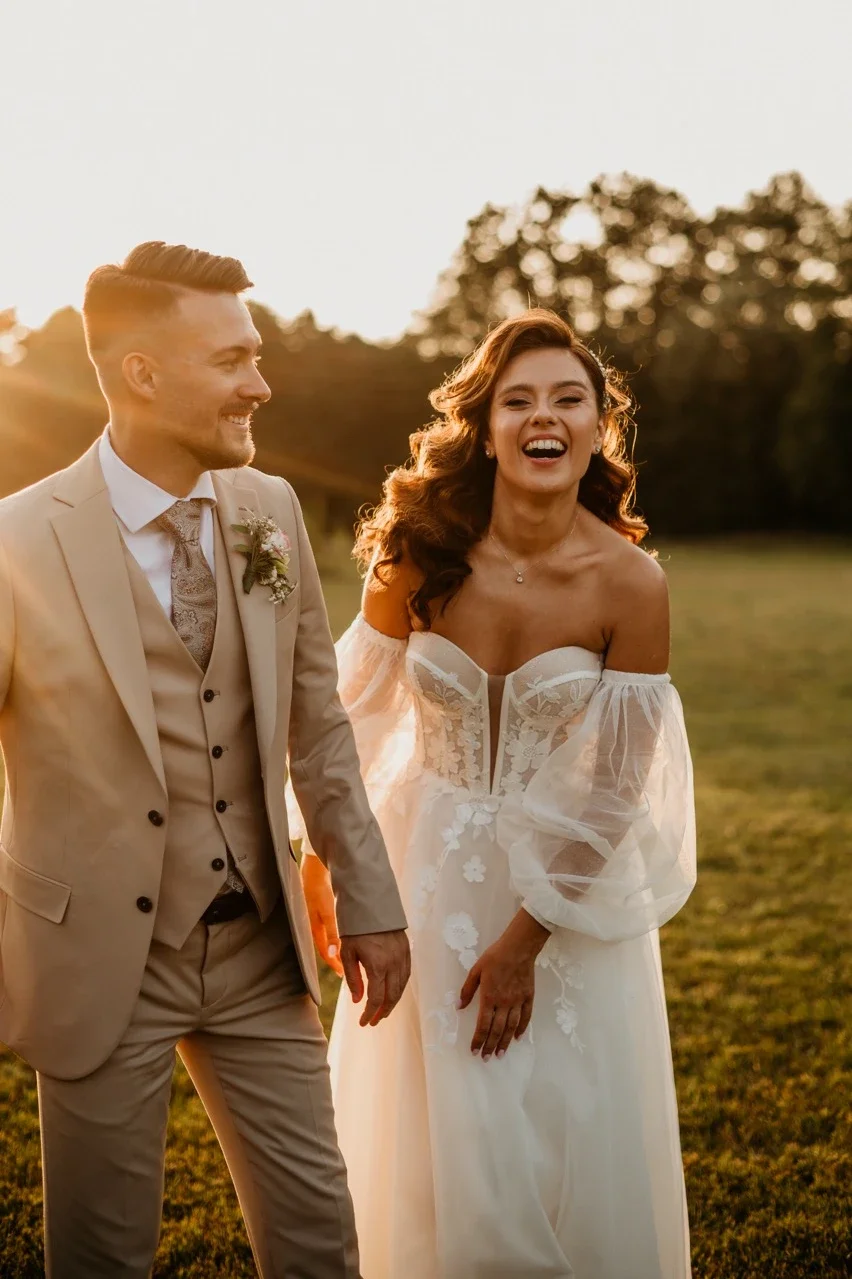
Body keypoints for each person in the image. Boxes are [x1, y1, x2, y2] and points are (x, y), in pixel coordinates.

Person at [0, 240, 410, 1279]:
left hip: (258, 952)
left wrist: (369, 897)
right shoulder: (16, 543)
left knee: (321, 1241)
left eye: (255, 357)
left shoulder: (269, 510)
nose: (259, 384)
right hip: (100, 960)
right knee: (101, 1256)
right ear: (142, 373)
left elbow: (318, 726)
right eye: (232, 360)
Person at [299, 309, 697, 1278]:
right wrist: (325, 859)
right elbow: (348, 715)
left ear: (598, 429)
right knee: (426, 1148)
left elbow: (613, 794)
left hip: (562, 901)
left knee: (551, 1137)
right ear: (485, 429)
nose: (542, 416)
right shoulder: (417, 550)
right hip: (420, 877)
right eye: (517, 400)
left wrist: (525, 942)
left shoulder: (631, 586)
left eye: (568, 399)